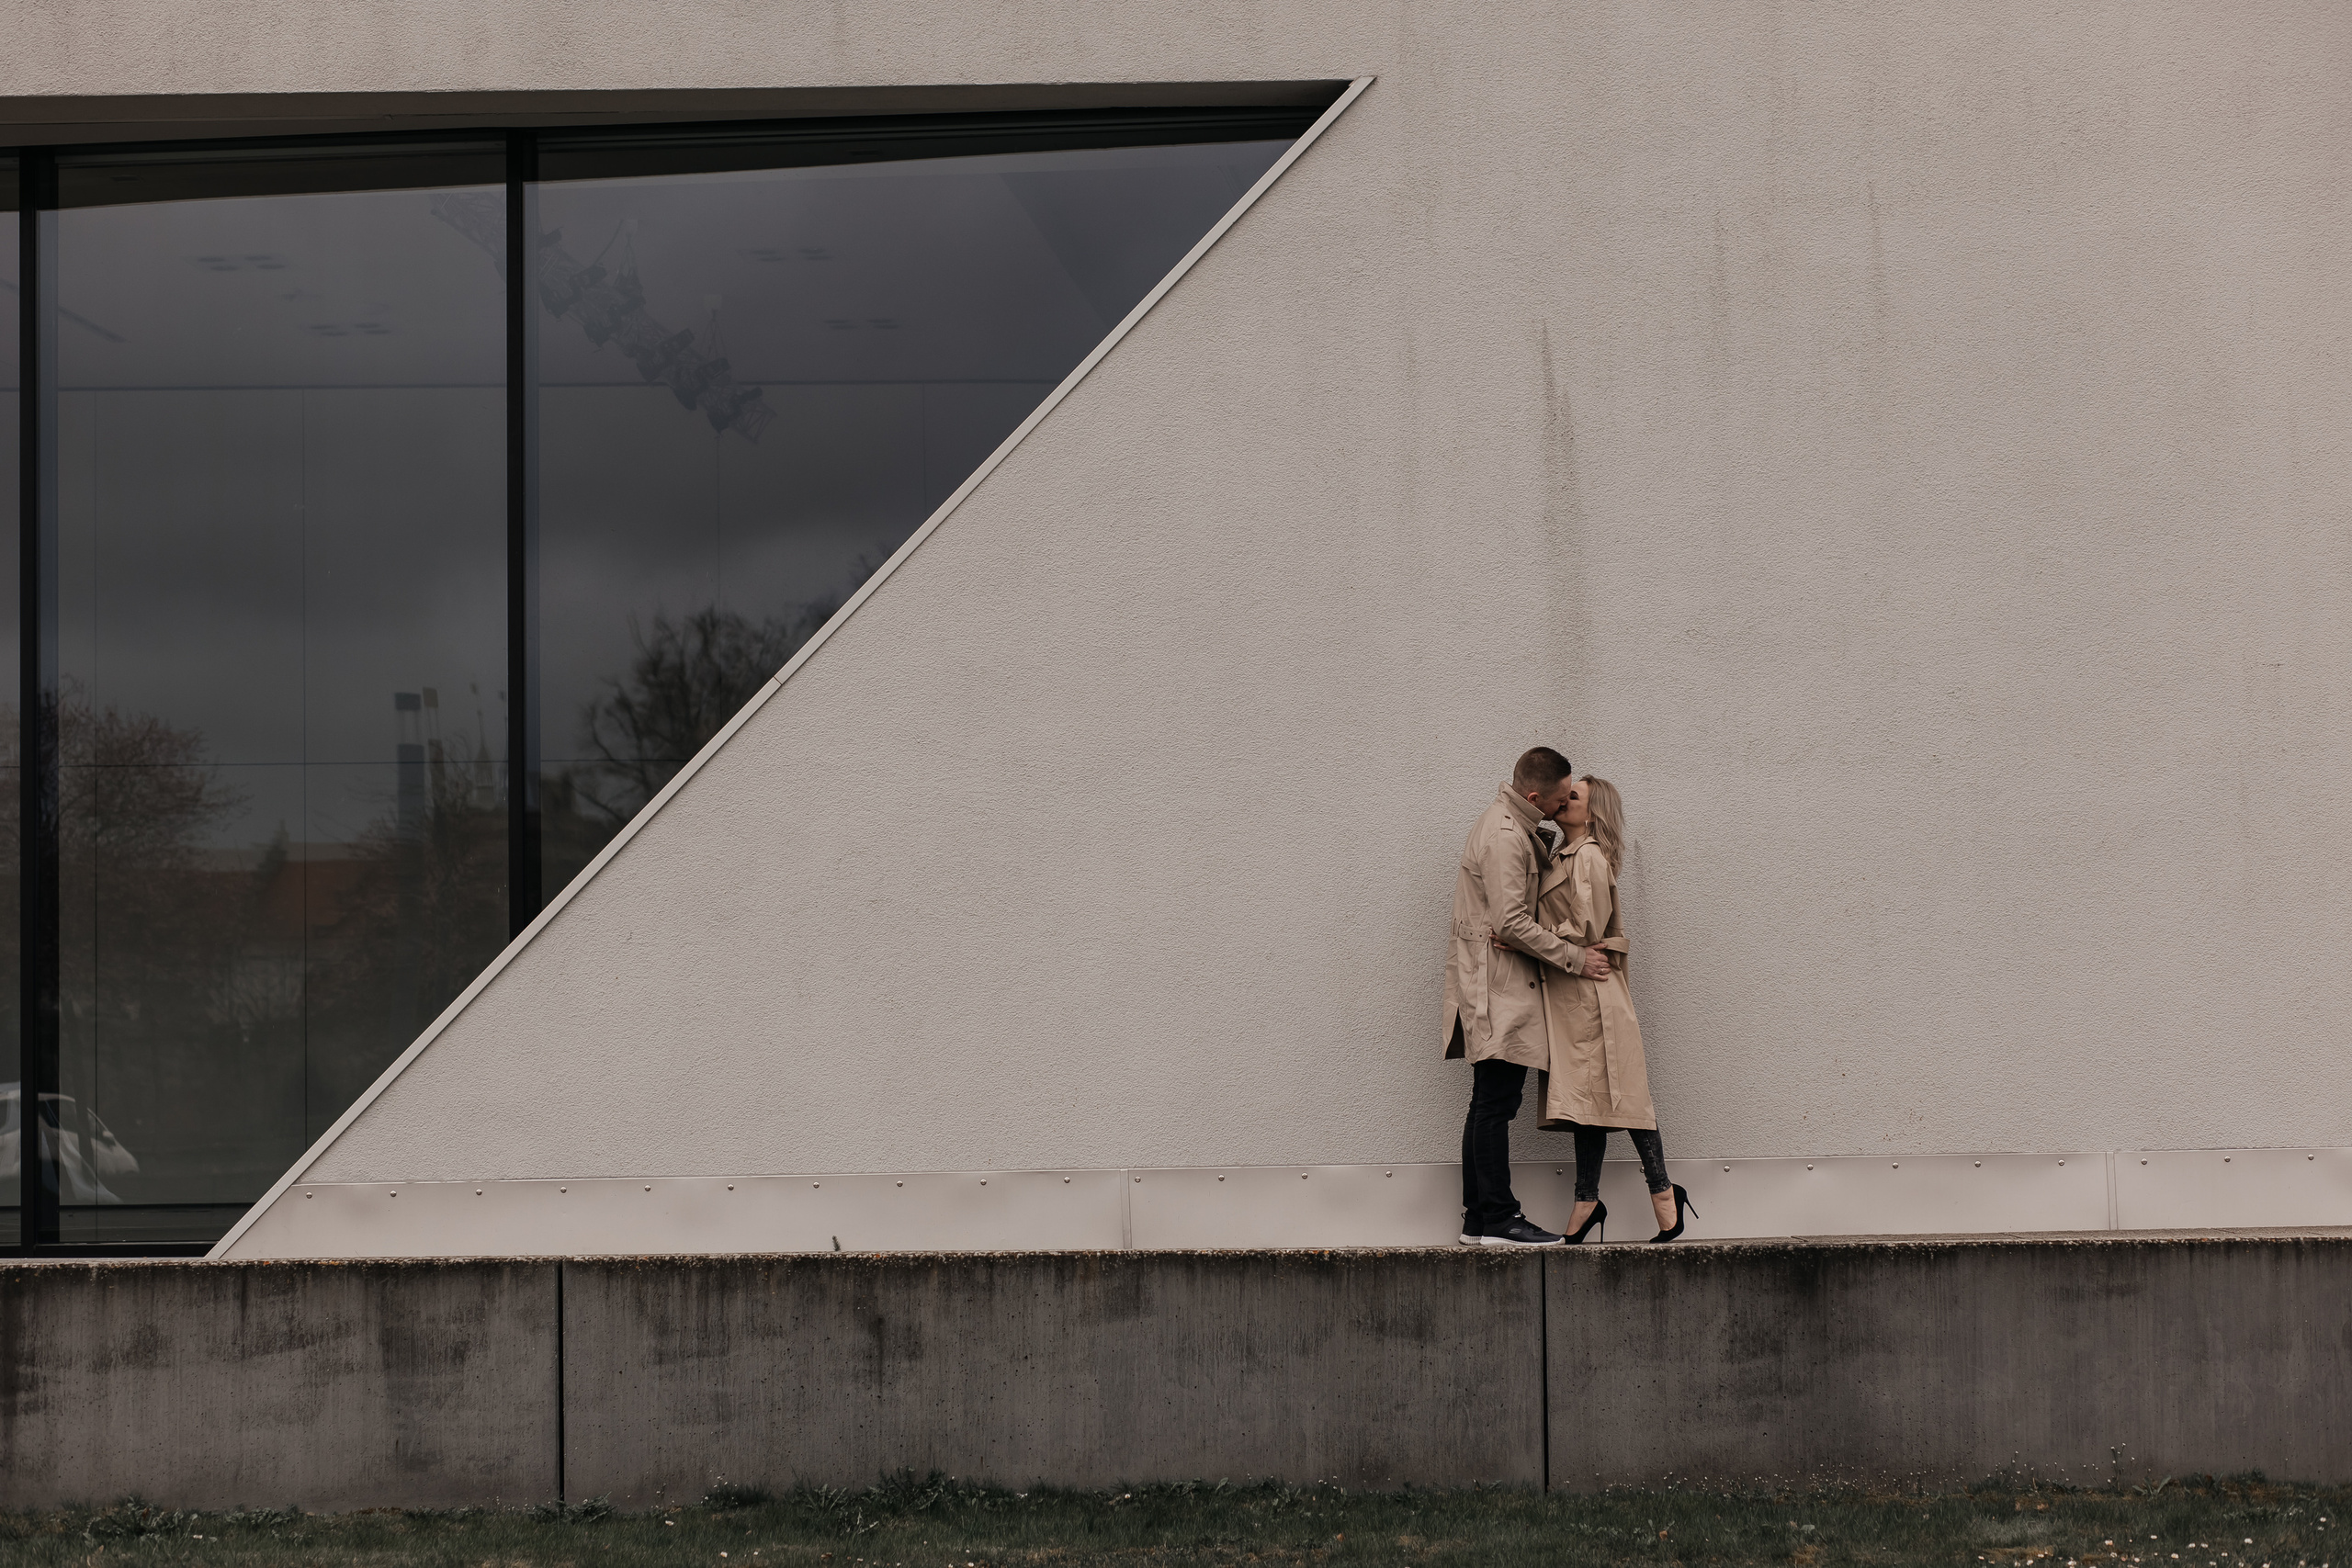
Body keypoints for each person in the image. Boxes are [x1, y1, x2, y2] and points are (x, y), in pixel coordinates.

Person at [1443, 747, 1614, 1247]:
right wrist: (1576, 957)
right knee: (1495, 1104)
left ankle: (1479, 1218)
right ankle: (1500, 1217)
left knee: (1488, 1102)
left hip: (1498, 981)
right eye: (1560, 799)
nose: (1564, 806)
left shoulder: (1515, 827)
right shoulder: (1505, 835)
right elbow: (1511, 923)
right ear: (1535, 797)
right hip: (1498, 986)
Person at [1527, 775, 1695, 1243]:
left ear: (1593, 812)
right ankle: (1588, 1201)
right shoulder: (1563, 855)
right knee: (1589, 1101)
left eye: (1574, 797)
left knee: (1625, 1096)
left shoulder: (1588, 856)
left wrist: (1525, 936)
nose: (1564, 801)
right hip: (1574, 994)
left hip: (1593, 995)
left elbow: (1584, 926)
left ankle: (1663, 1193)